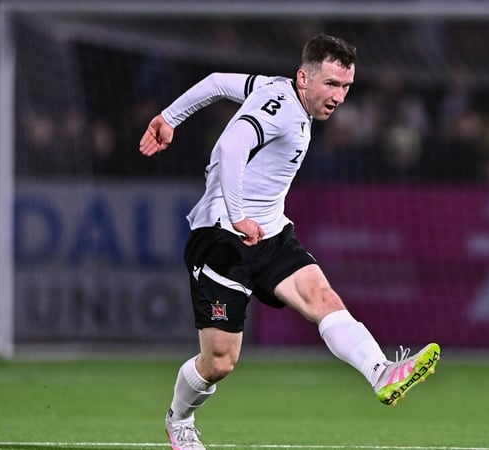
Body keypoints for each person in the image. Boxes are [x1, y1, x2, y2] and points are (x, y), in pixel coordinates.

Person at [138, 33, 441, 450]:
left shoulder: (273, 88)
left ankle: (380, 372)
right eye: (331, 84)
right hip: (223, 238)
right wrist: (237, 211)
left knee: (322, 297)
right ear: (304, 78)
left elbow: (214, 82)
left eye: (346, 86)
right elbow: (230, 145)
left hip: (270, 232)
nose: (339, 96)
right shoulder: (278, 107)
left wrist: (170, 118)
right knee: (219, 362)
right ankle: (180, 419)